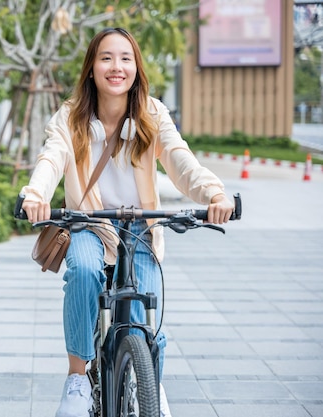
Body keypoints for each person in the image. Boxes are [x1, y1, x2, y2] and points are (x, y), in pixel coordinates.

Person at [19, 27, 234, 417]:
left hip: (140, 229)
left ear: (136, 68)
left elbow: (180, 160)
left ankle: (150, 381)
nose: (116, 67)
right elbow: (51, 159)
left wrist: (214, 194)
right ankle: (77, 378)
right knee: (83, 271)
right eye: (106, 58)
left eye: (125, 58)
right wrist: (35, 195)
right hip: (88, 224)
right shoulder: (71, 117)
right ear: (91, 68)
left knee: (145, 320)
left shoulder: (152, 114)